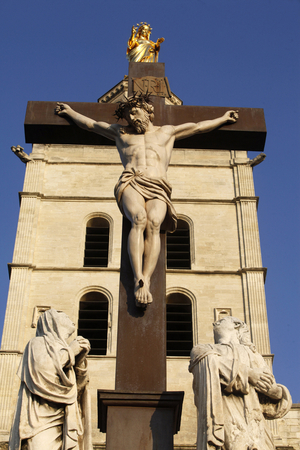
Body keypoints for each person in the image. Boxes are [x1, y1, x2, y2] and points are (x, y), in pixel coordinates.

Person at [56, 94, 238, 306]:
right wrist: (70, 113)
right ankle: (137, 277)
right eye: (128, 114)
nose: (132, 117)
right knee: (139, 219)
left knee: (154, 223)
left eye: (135, 112)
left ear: (148, 111)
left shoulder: (166, 132)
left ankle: (147, 278)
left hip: (158, 184)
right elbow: (91, 124)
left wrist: (224, 119)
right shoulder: (120, 132)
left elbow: (197, 127)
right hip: (132, 180)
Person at [189, 316, 292, 450]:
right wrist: (248, 374)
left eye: (222, 320)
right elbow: (207, 362)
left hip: (256, 425)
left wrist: (278, 392)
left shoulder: (254, 355)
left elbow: (271, 387)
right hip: (227, 416)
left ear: (237, 325)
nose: (215, 322)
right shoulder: (202, 349)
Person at [9, 309, 92, 450]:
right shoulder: (37, 343)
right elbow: (43, 372)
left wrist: (80, 362)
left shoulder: (64, 349)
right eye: (62, 315)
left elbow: (76, 390)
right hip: (40, 420)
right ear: (53, 321)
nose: (68, 316)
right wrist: (71, 352)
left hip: (66, 416)